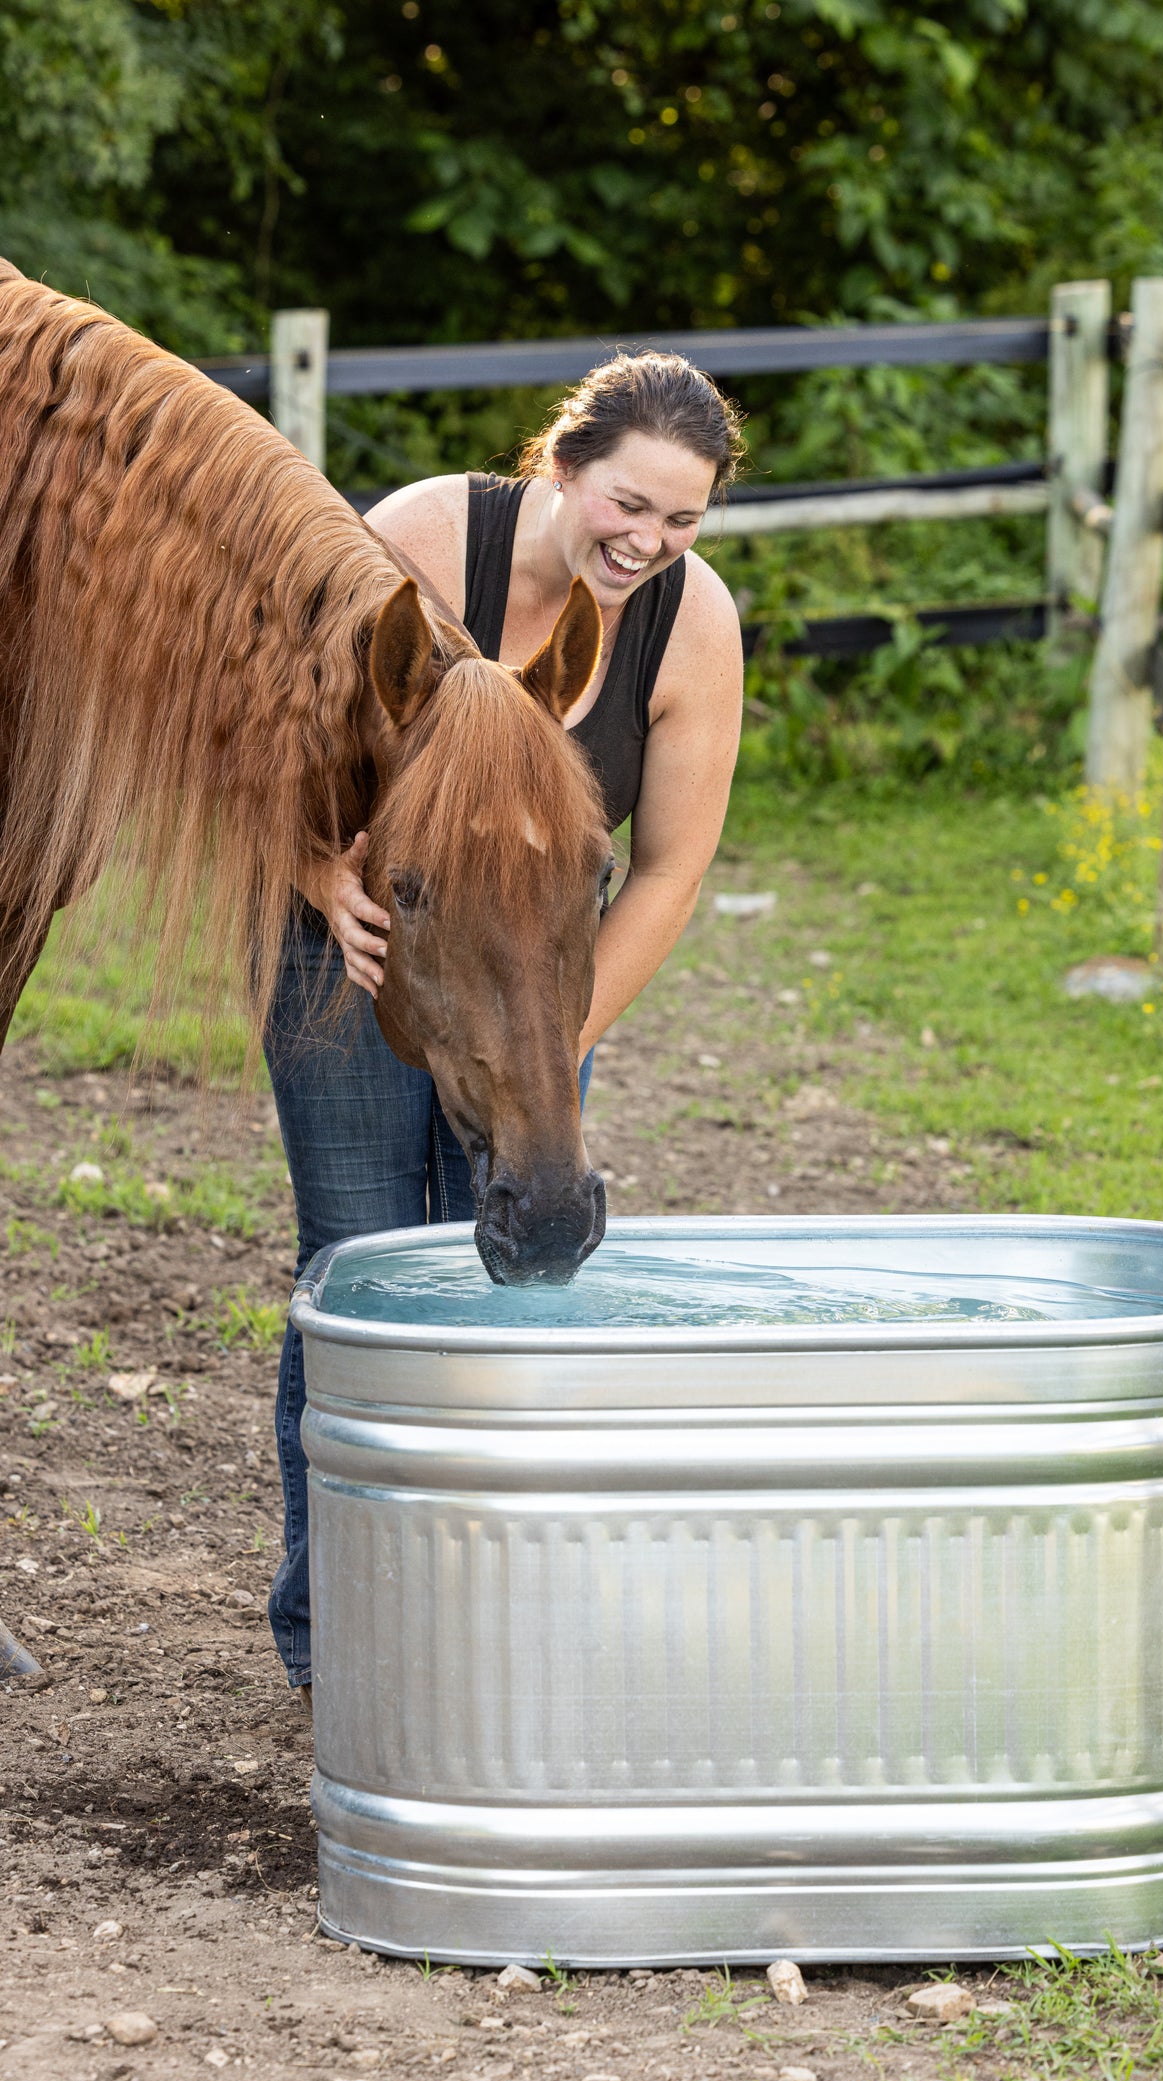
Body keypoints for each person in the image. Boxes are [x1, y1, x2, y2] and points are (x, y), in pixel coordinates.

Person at [265, 351, 746, 1694]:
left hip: (530, 985)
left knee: (522, 1262)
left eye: (682, 520)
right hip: (355, 958)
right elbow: (261, 743)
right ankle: (335, 1631)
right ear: (562, 465)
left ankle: (505, 1607)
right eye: (630, 504)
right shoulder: (412, 548)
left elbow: (666, 867)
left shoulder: (686, 626)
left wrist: (564, 1029)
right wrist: (320, 879)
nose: (648, 541)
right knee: (358, 1265)